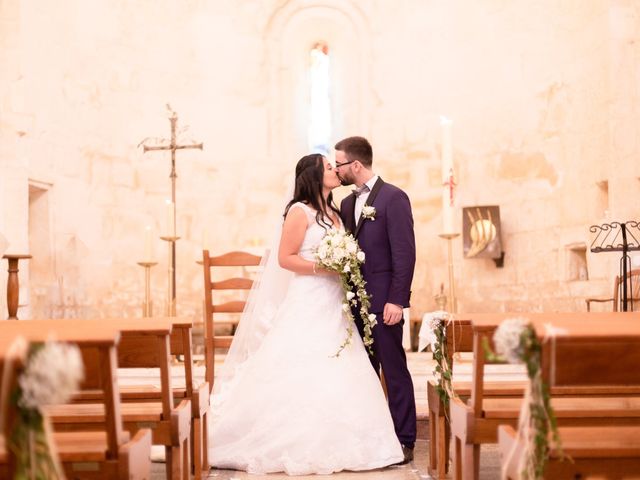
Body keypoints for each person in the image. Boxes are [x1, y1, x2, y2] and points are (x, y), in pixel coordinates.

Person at [208, 153, 403, 475]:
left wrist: (345, 264)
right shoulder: (299, 212)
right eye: (329, 167)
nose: (336, 171)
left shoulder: (336, 211)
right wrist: (323, 266)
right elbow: (285, 258)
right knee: (303, 360)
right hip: (309, 298)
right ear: (314, 176)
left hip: (336, 301)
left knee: (342, 363)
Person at [334, 136, 417, 463]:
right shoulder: (345, 203)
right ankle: (369, 438)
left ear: (355, 164)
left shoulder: (394, 198)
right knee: (363, 374)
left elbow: (405, 253)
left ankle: (404, 438)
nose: (337, 169)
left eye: (339, 163)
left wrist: (397, 300)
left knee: (394, 370)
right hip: (354, 301)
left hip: (384, 304)